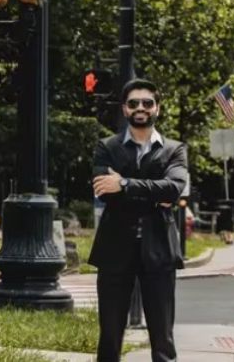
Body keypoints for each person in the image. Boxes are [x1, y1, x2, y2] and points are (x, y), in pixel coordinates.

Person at [90, 78, 188, 362]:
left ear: (157, 108)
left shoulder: (174, 149)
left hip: (159, 250)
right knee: (109, 336)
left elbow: (174, 188)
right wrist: (154, 193)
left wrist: (124, 184)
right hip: (114, 250)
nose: (140, 108)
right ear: (124, 109)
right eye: (134, 103)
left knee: (162, 338)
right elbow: (104, 192)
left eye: (147, 102)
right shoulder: (106, 147)